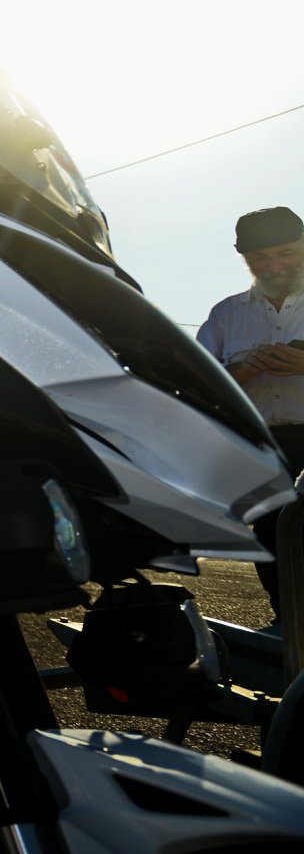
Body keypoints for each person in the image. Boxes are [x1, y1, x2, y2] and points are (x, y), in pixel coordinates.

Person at [197, 206, 304, 622]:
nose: (275, 266)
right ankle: (288, 624)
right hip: (263, 444)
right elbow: (197, 386)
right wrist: (239, 373)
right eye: (261, 258)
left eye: (286, 253)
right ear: (244, 259)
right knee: (271, 533)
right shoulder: (226, 314)